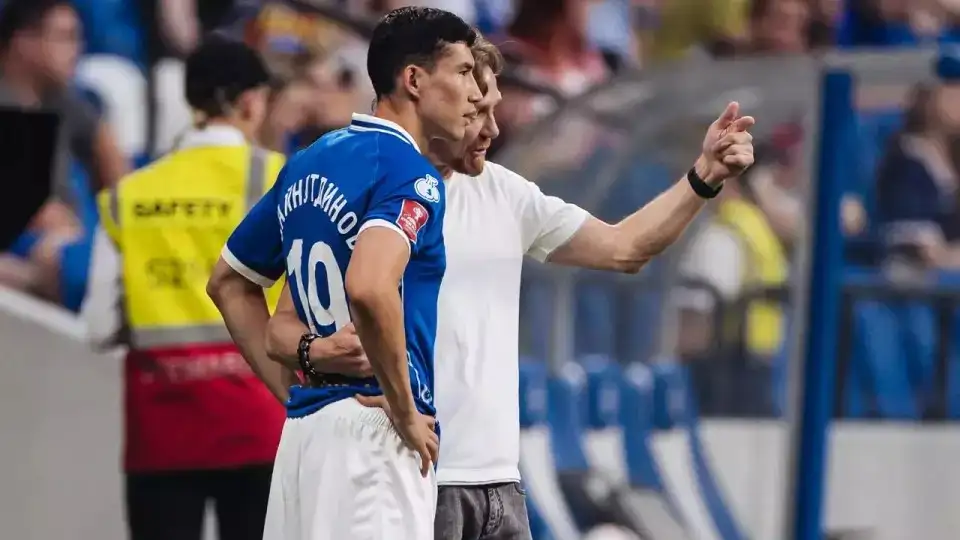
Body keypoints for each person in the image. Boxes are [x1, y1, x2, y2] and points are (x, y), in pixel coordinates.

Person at [260, 37, 756, 539]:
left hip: (500, 485)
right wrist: (319, 378)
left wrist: (704, 177)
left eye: (494, 109)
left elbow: (624, 248)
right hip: (415, 476)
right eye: (477, 110)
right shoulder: (362, 191)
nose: (492, 129)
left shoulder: (506, 193)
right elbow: (278, 318)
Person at [208, 7, 481, 539]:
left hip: (305, 435)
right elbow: (370, 286)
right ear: (414, 80)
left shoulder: (309, 160)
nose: (475, 94)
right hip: (374, 438)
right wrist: (404, 408)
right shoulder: (412, 175)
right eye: (464, 72)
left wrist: (298, 390)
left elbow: (230, 282)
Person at [82, 37, 286, 540]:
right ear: (250, 102)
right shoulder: (281, 180)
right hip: (259, 421)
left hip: (161, 430)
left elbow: (99, 328)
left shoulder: (130, 196)